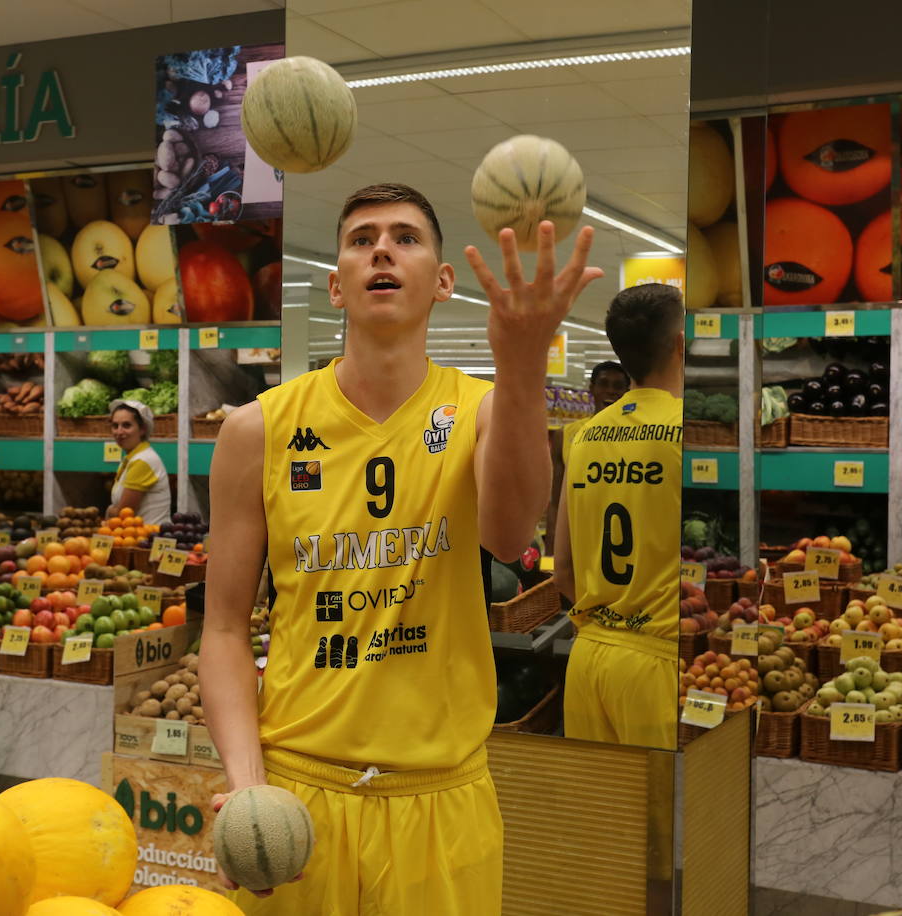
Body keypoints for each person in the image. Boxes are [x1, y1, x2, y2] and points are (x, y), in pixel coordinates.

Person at [200, 182, 602, 914]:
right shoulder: (256, 430)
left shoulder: (481, 411)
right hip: (297, 797)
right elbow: (225, 627)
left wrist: (522, 363)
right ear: (335, 286)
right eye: (361, 239)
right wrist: (248, 782)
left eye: (406, 237)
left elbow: (511, 535)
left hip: (442, 801)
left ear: (444, 282)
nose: (382, 249)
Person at [554, 282, 684, 750]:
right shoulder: (691, 433)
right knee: (672, 821)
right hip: (661, 663)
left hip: (589, 658)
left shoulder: (582, 437)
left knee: (604, 818)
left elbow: (563, 569)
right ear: (681, 345)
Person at [545, 360, 630, 554]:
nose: (610, 391)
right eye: (603, 384)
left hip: (621, 539)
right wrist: (551, 550)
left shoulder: (638, 435)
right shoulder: (564, 435)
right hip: (576, 537)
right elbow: (556, 501)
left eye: (618, 386)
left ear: (627, 392)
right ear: (592, 388)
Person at [104, 399, 172, 527]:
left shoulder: (143, 461)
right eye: (115, 426)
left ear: (142, 429)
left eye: (126, 425)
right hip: (133, 536)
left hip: (147, 539)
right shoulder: (133, 457)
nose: (119, 432)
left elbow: (123, 513)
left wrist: (110, 510)